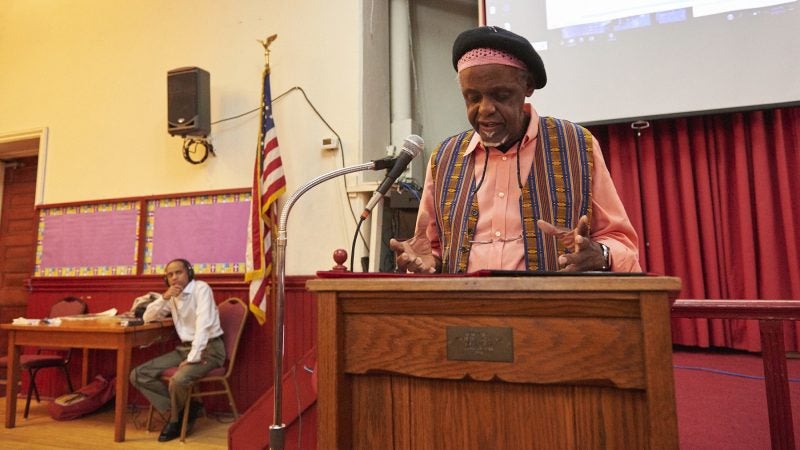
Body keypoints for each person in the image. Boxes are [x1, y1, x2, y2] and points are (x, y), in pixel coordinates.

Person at [390, 26, 641, 274]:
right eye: (473, 97)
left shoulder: (576, 145)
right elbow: (432, 251)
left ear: (527, 87)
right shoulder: (444, 158)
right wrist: (427, 262)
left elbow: (621, 243)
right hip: (465, 312)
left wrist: (601, 254)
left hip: (554, 311)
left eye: (501, 95)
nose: (485, 109)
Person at [129, 258, 225, 442]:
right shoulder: (172, 295)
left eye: (178, 272)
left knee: (178, 380)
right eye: (170, 275)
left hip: (209, 348)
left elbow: (203, 325)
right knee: (138, 374)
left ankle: (175, 420)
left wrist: (193, 357)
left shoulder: (201, 289)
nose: (174, 277)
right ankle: (184, 412)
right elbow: (148, 318)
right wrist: (164, 298)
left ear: (189, 272)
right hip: (184, 348)